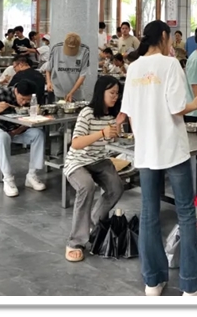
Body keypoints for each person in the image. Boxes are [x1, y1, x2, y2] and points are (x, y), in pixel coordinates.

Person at [120, 20, 197, 297]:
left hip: (146, 150)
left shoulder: (133, 68)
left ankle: (153, 281)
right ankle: (191, 284)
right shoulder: (170, 64)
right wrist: (195, 104)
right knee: (185, 212)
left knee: (149, 213)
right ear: (163, 36)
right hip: (171, 148)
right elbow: (176, 107)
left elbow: (129, 113)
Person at [64, 76, 126, 263]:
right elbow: (76, 143)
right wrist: (101, 133)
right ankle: (75, 242)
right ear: (101, 93)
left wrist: (118, 125)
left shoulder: (111, 114)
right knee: (86, 186)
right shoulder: (87, 113)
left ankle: (92, 222)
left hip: (99, 160)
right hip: (78, 161)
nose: (115, 97)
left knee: (116, 187)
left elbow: (113, 139)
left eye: (117, 93)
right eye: (112, 93)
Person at [0, 80, 47, 197]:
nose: (24, 103)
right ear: (16, 91)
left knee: (38, 134)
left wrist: (19, 129)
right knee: (3, 137)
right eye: (22, 99)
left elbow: (29, 120)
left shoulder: (32, 99)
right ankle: (8, 179)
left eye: (27, 100)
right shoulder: (1, 94)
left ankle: (32, 175)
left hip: (16, 130)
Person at [45, 33, 91, 102]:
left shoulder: (85, 50)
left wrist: (71, 92)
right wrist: (49, 82)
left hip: (77, 93)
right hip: (59, 91)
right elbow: (48, 69)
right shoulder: (56, 48)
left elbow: (82, 75)